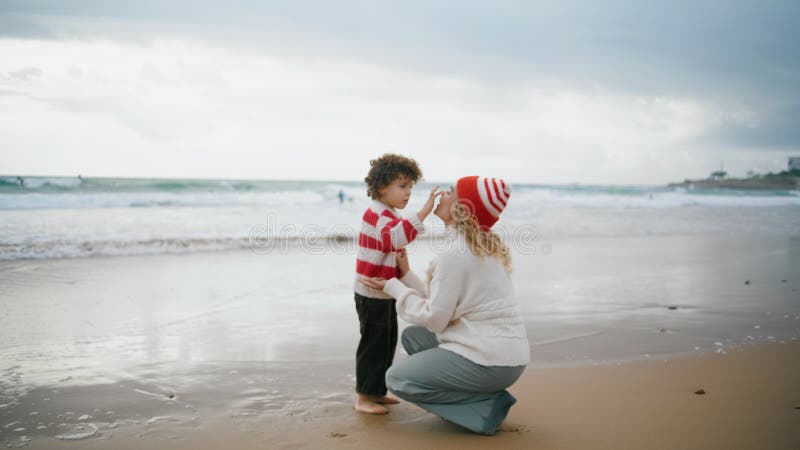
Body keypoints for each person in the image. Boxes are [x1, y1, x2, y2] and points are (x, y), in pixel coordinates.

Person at [360, 176, 530, 434]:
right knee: (415, 338)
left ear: (462, 208)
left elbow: (436, 318)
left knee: (397, 379)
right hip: (507, 358)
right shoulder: (475, 245)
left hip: (491, 360)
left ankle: (484, 404)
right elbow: (444, 301)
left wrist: (392, 286)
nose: (442, 195)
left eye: (451, 192)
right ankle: (480, 394)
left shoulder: (456, 253)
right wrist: (405, 275)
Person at [353, 153, 441, 415]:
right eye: (402, 187)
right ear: (382, 187)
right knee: (373, 344)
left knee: (387, 342)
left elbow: (398, 240)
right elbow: (395, 238)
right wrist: (425, 211)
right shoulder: (376, 215)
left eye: (410, 187)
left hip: (384, 291)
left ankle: (376, 391)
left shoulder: (388, 213)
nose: (408, 193)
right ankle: (363, 396)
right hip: (370, 292)